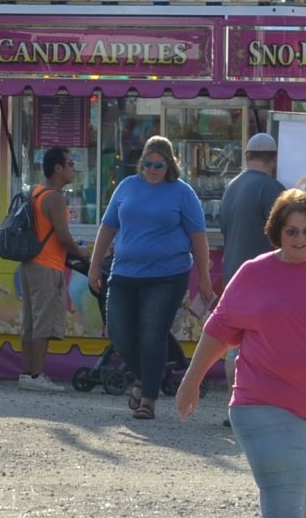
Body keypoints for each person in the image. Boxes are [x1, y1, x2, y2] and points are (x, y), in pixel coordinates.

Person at [177, 188, 306, 518]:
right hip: (262, 400)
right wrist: (192, 380)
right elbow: (218, 331)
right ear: (278, 232)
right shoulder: (253, 273)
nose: (300, 239)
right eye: (292, 231)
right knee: (289, 484)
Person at [92, 133, 212, 420]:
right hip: (124, 272)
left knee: (152, 335)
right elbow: (107, 227)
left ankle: (149, 398)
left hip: (167, 276)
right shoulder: (126, 187)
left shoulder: (182, 193)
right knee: (120, 334)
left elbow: (199, 238)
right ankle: (144, 378)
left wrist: (204, 278)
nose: (152, 170)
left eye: (159, 165)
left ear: (170, 165)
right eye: (147, 164)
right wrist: (95, 265)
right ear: (140, 162)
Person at [20, 144, 88, 388]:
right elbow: (63, 236)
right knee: (43, 322)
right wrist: (82, 253)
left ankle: (27, 373)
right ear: (57, 169)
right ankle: (38, 375)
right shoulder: (55, 198)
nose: (74, 169)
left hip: (30, 264)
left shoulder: (37, 192)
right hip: (47, 265)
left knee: (29, 321)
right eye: (70, 164)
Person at [216, 131, 284, 281]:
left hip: (231, 276)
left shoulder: (230, 187)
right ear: (275, 158)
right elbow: (284, 238)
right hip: (261, 280)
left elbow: (224, 229)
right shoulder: (273, 189)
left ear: (246, 155)